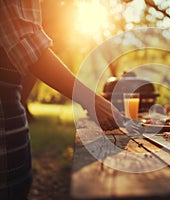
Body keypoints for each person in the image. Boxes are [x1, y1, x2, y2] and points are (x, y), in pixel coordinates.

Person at [0, 1, 123, 199]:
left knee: (18, 185)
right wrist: (92, 101)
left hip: (10, 104)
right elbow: (29, 46)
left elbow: (23, 57)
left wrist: (20, 99)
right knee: (11, 188)